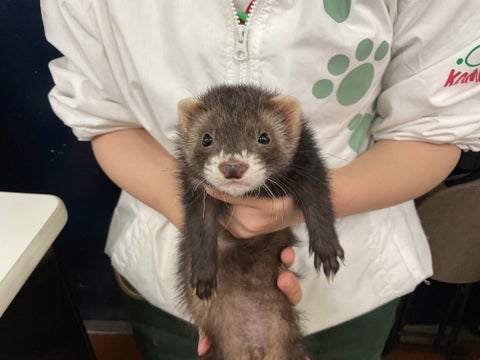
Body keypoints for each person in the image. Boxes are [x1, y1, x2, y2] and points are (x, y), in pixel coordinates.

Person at [40, 1, 480, 359]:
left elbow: (434, 127)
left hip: (357, 281)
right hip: (171, 276)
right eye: (209, 139)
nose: (233, 164)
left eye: (264, 139)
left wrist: (306, 206)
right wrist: (201, 222)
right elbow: (104, 116)